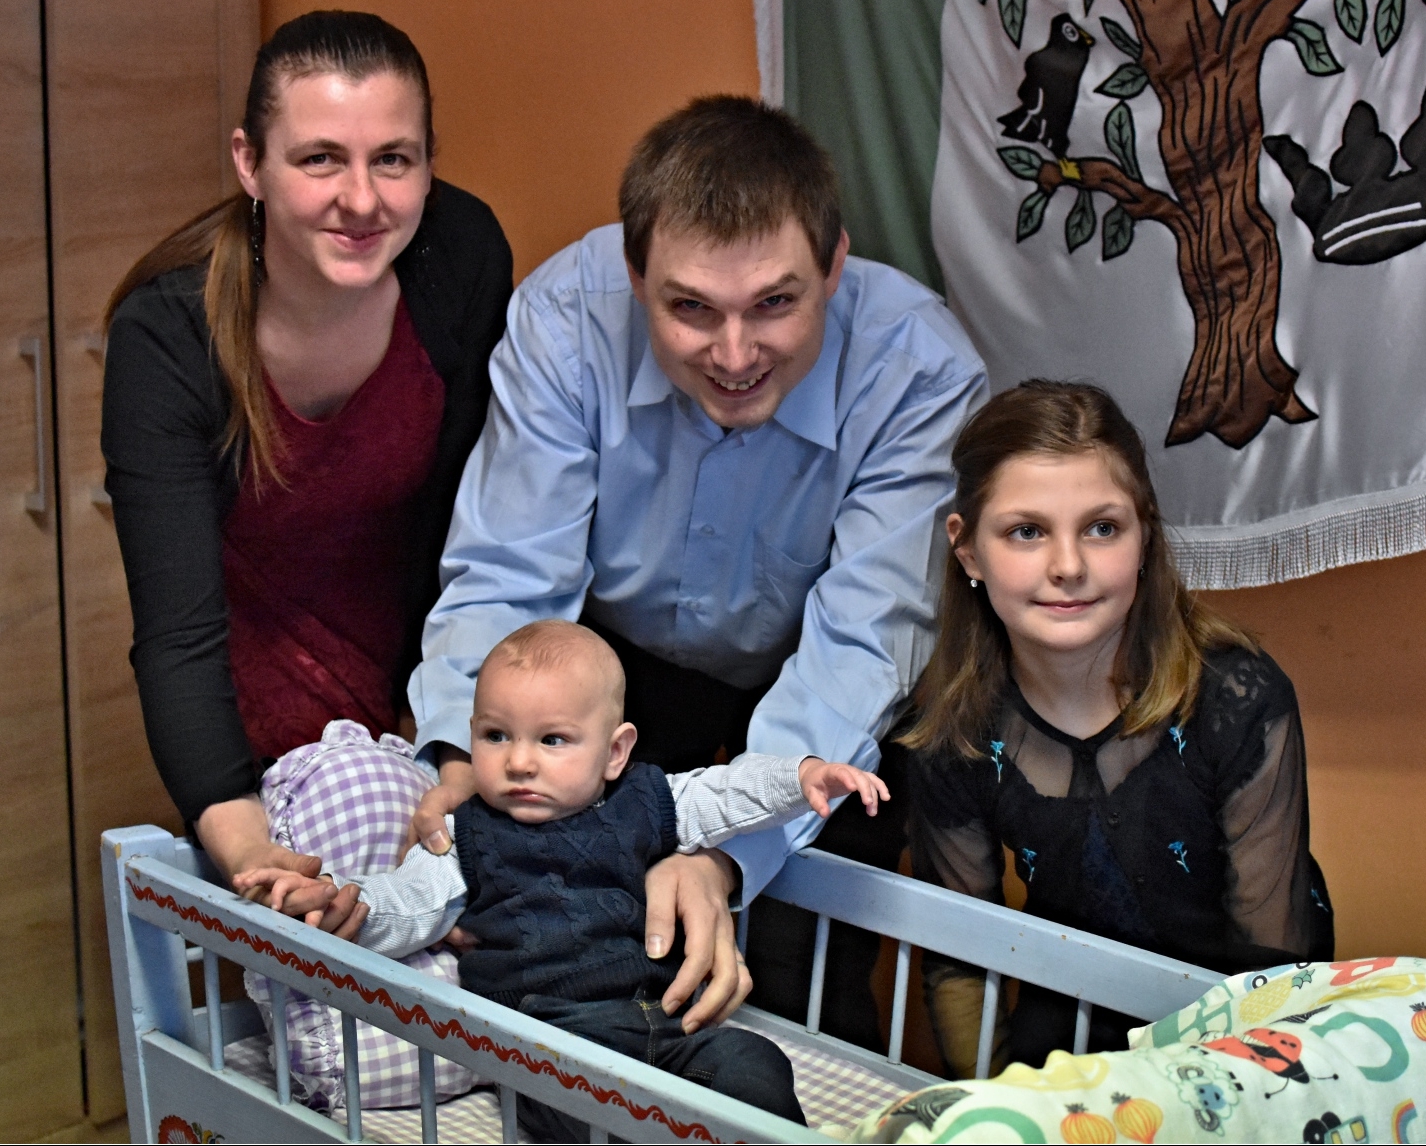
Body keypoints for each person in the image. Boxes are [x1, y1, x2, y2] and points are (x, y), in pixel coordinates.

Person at [405, 95, 989, 1039]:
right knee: (589, 958)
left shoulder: (920, 369)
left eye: (775, 304)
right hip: (622, 673)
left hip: (826, 682)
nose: (735, 353)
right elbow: (510, 576)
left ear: (834, 266)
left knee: (801, 990)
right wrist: (465, 763)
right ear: (635, 275)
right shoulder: (564, 318)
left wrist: (720, 857)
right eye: (690, 309)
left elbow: (863, 642)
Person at [102, 11, 514, 938]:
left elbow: (474, 526)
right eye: (320, 159)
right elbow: (177, 631)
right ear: (250, 163)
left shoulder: (462, 258)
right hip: (246, 736)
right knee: (305, 1001)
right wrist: (244, 841)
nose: (361, 200)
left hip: (425, 706)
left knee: (463, 972)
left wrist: (451, 736)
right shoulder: (169, 335)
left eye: (394, 159)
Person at [241, 620, 889, 1141]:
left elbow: (723, 793)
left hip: (668, 1028)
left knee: (753, 1061)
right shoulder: (469, 837)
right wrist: (339, 902)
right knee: (593, 1110)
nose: (520, 761)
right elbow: (408, 903)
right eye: (497, 736)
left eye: (552, 740)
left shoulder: (645, 801)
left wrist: (803, 776)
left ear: (615, 751)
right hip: (550, 1049)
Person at [900, 381, 1333, 1075]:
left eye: (1102, 528)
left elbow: (1270, 974)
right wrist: (998, 1111)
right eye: (1026, 531)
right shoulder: (955, 727)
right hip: (1064, 1046)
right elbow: (961, 964)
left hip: (1234, 1055)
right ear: (968, 549)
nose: (1068, 567)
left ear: (1145, 535)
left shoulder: (1237, 698)